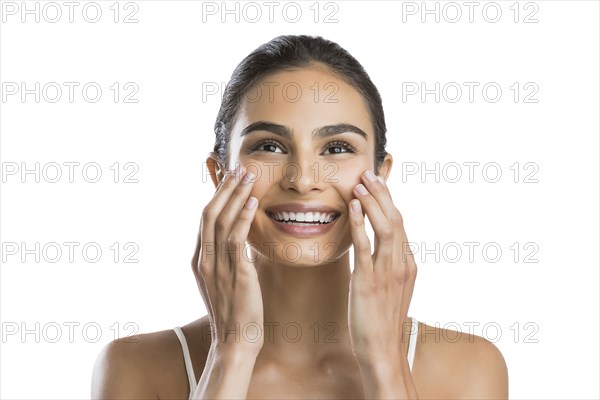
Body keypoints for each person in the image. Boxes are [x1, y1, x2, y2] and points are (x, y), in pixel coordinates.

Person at [92, 34, 508, 399]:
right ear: (219, 174)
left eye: (337, 148)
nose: (303, 178)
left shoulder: (469, 368)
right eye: (270, 146)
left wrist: (384, 362)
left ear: (381, 175)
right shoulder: (135, 368)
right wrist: (230, 354)